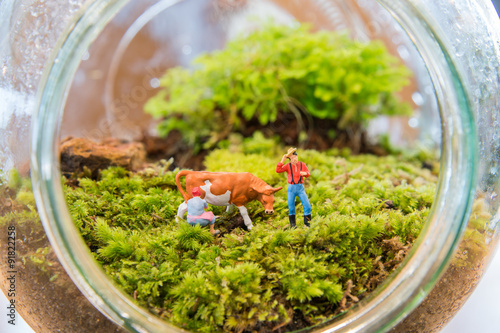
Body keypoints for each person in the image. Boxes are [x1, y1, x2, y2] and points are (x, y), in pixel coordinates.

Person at [276, 148, 312, 228]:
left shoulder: (302, 164)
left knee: (307, 206)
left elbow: (308, 173)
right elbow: (278, 170)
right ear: (289, 159)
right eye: (292, 158)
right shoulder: (288, 166)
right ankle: (293, 225)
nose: (294, 159)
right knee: (291, 207)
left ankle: (307, 224)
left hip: (300, 188)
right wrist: (282, 161)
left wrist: (305, 173)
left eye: (295, 157)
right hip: (291, 188)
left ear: (297, 156)